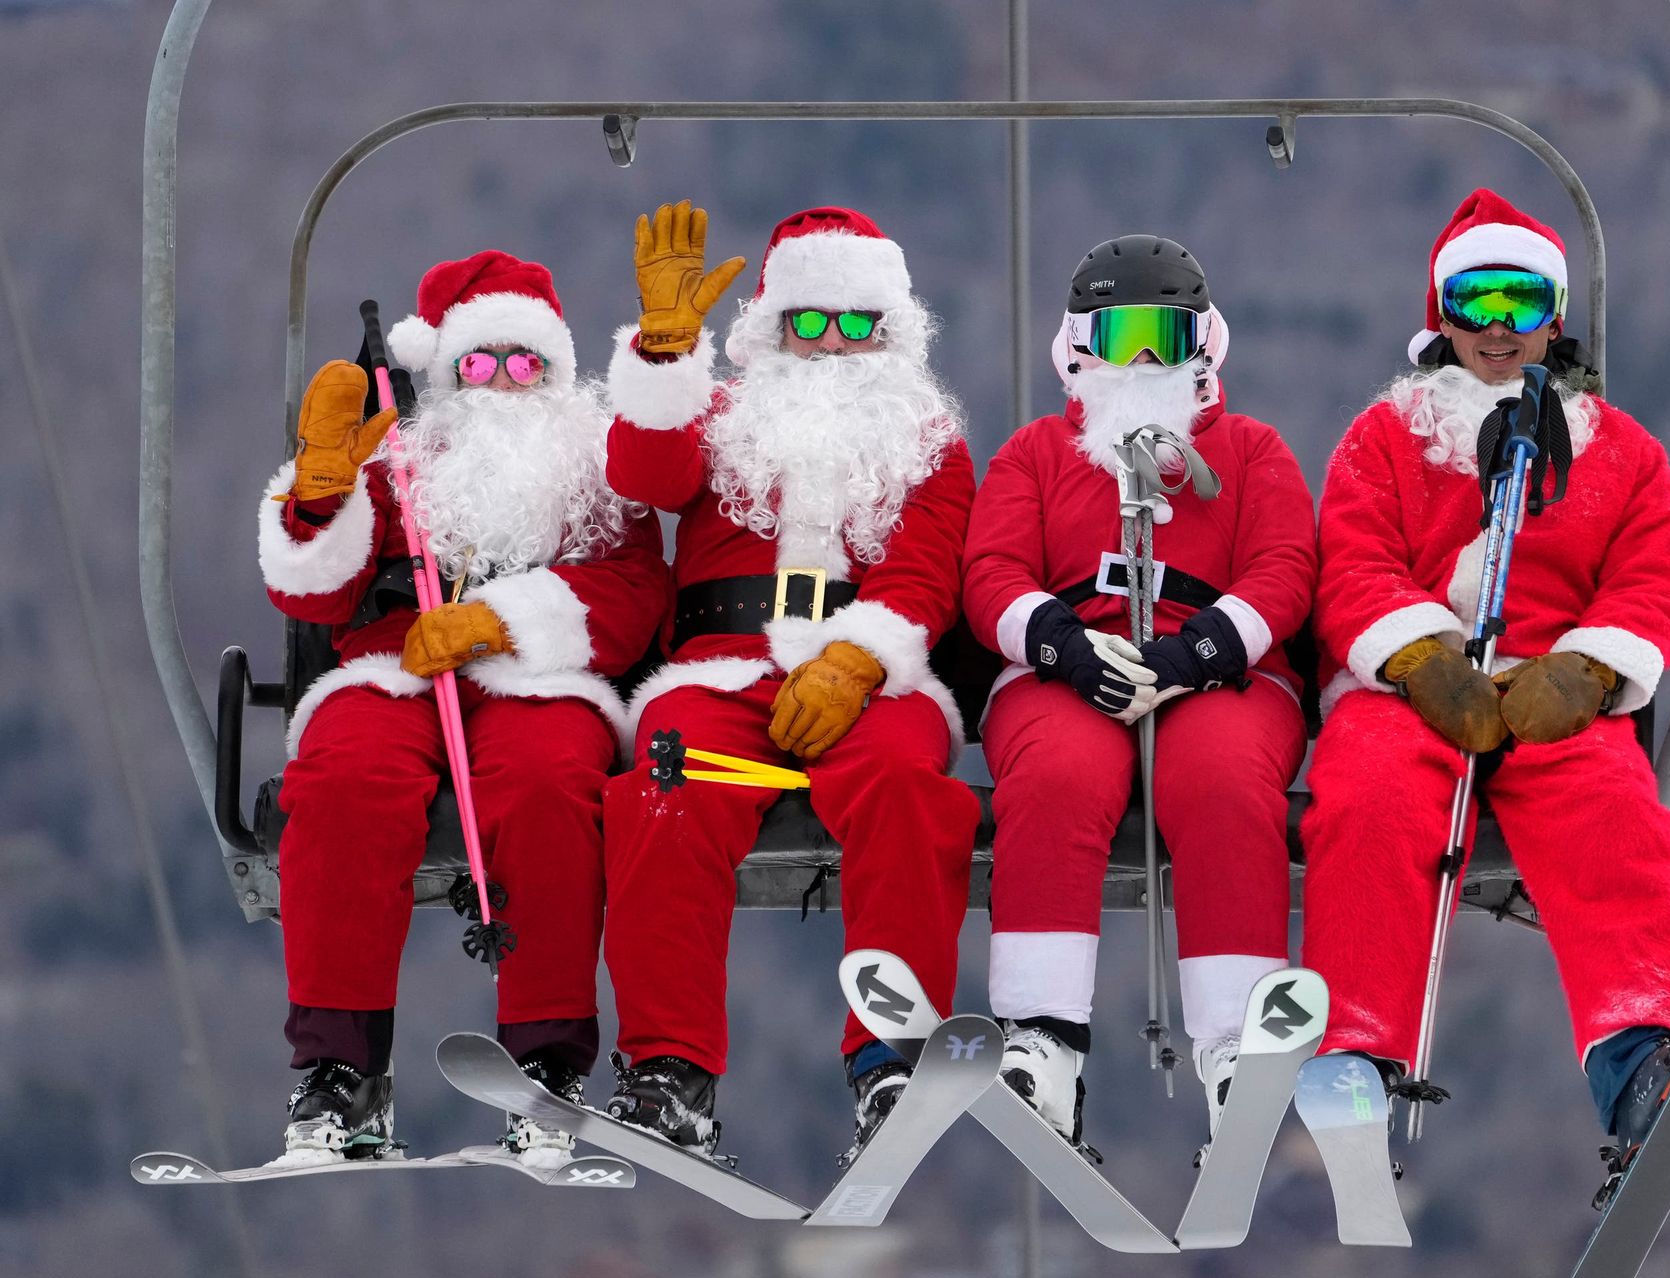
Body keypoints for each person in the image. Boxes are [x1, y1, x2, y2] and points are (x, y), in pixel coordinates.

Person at [1300, 189, 1670, 1195]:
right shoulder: (1386, 438)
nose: (1494, 329)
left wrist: (1588, 667)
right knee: (1369, 797)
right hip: (1412, 693)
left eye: (1517, 303)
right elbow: (1350, 563)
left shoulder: (1614, 450)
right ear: (1437, 312)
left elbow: (1652, 579)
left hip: (1547, 693)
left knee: (1613, 815)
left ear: (1551, 317)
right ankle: (1356, 1041)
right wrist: (1415, 655)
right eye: (1471, 301)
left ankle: (1641, 1049)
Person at [257, 250, 669, 1164]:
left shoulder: (593, 466)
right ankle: (341, 1072)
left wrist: (502, 617)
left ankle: (547, 1065)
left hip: (537, 669)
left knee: (548, 780)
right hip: (397, 665)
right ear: (444, 371)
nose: (505, 384)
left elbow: (636, 589)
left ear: (559, 370)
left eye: (528, 364)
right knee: (345, 777)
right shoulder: (394, 455)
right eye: (480, 365)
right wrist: (321, 497)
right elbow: (314, 596)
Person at [598, 201, 979, 1165]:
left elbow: (927, 567)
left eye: (859, 325)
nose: (834, 347)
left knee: (903, 788)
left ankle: (891, 1056)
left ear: (894, 332)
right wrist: (663, 351)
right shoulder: (717, 419)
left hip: (871, 681)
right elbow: (645, 474)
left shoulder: (928, 438)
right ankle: (669, 1070)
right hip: (724, 670)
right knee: (668, 788)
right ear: (771, 328)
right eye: (810, 323)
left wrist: (855, 659)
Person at [962, 234, 1316, 1148]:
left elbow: (1283, 568)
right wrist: (1062, 643)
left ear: (1205, 341)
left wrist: (1199, 650)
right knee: (1056, 775)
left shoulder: (1249, 450)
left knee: (1227, 778)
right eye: (1124, 335)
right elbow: (993, 569)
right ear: (1082, 344)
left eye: (1168, 332)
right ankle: (1042, 1037)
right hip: (1070, 665)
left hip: (1216, 669)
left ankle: (1237, 1043)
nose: (1148, 359)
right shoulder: (1038, 455)